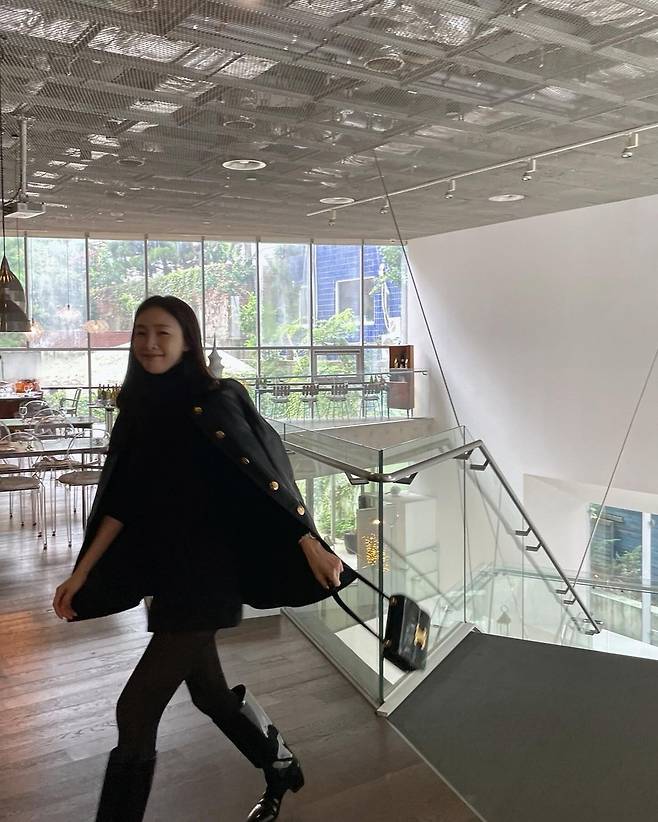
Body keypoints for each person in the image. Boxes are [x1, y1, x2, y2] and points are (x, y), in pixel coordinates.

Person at [53, 296, 356, 822]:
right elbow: (120, 504)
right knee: (209, 693)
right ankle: (279, 763)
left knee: (135, 708)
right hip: (167, 575)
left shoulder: (217, 399)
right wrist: (80, 574)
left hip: (211, 575)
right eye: (141, 332)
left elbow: (263, 478)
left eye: (162, 333)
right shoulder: (137, 409)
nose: (150, 344)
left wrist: (308, 539)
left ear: (187, 341)